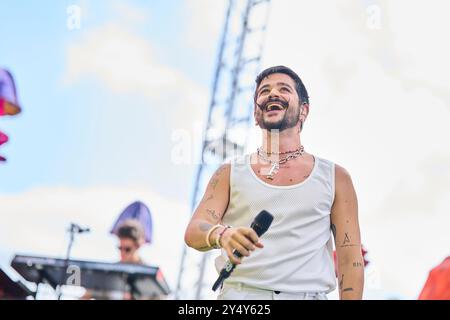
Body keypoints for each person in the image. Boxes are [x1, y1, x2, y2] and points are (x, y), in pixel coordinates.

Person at [184, 66, 364, 300]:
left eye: (284, 89)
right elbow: (194, 231)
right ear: (256, 115)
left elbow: (350, 259)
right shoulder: (229, 173)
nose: (272, 94)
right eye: (264, 91)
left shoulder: (335, 177)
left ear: (304, 111)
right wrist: (222, 234)